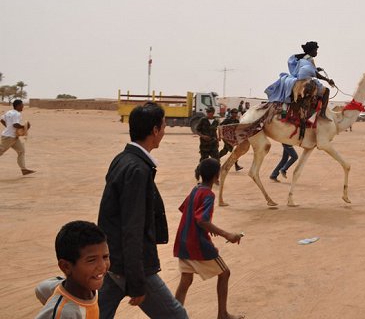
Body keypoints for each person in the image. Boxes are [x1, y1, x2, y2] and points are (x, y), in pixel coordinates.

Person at [97, 102, 188, 319]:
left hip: (114, 258)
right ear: (155, 130)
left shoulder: (123, 159)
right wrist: (137, 281)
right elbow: (132, 227)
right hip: (130, 265)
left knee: (97, 315)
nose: (164, 131)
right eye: (163, 126)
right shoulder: (137, 169)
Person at [174, 158, 244, 319]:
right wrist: (227, 234)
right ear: (216, 176)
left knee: (186, 279)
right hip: (197, 244)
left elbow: (185, 209)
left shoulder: (195, 189)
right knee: (225, 273)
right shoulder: (209, 195)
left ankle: (173, 315)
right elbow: (202, 220)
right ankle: (223, 314)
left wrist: (206, 225)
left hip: (183, 240)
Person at [35, 221, 110, 319]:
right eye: (91, 260)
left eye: (105, 257)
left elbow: (41, 288)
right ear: (66, 267)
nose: (102, 266)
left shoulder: (88, 286)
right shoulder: (64, 314)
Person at [264, 41, 335, 119]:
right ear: (312, 50)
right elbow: (313, 73)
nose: (316, 52)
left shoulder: (303, 59)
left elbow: (308, 70)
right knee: (327, 91)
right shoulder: (309, 59)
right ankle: (322, 113)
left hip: (297, 79)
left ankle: (286, 110)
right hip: (304, 80)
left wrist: (317, 69)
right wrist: (328, 80)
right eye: (316, 50)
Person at [0, 99, 35, 175]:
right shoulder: (17, 114)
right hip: (9, 137)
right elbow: (15, 125)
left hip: (13, 137)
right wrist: (24, 127)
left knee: (21, 151)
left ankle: (23, 169)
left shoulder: (9, 112)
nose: (23, 107)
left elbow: (1, 119)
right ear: (18, 106)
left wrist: (7, 127)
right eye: (22, 105)